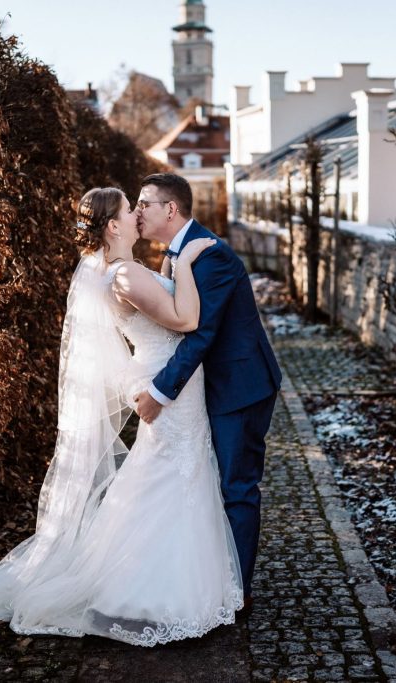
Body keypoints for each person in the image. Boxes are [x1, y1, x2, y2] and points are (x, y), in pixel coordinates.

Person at [0, 187, 243, 646]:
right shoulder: (124, 276)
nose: (138, 215)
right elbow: (186, 320)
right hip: (168, 387)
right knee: (167, 475)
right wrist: (188, 261)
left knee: (169, 473)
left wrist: (172, 270)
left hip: (171, 381)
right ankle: (143, 595)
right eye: (128, 210)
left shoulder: (125, 271)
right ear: (113, 226)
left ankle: (162, 581)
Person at [132, 173, 282, 612]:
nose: (138, 211)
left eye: (145, 203)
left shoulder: (209, 256)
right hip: (212, 387)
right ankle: (212, 578)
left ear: (170, 210)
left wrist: (159, 393)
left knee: (237, 487)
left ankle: (239, 592)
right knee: (209, 485)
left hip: (240, 387)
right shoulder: (178, 252)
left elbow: (201, 335)